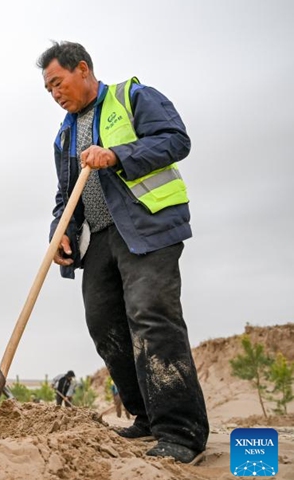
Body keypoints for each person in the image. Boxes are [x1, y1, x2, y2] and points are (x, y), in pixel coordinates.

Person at [37, 41, 209, 463]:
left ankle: (181, 432)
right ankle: (146, 417)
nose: (55, 93)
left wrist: (117, 154)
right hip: (97, 239)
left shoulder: (132, 97)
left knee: (151, 316)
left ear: (82, 69)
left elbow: (175, 140)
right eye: (48, 90)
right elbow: (66, 196)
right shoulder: (64, 134)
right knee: (105, 325)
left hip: (146, 228)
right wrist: (59, 231)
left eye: (58, 83)